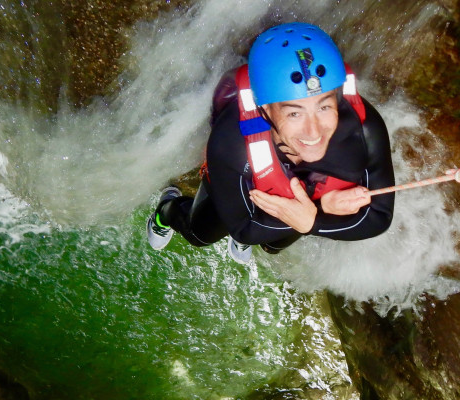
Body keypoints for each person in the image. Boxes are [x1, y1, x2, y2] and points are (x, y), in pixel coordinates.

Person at [146, 22, 395, 263]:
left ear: (338, 96)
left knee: (272, 245)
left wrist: (312, 221)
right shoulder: (231, 142)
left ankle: (273, 226)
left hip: (306, 199)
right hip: (252, 179)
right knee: (200, 235)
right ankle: (166, 210)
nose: (314, 131)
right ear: (264, 108)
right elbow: (243, 229)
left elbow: (380, 216)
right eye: (294, 113)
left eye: (324, 106)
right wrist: (317, 213)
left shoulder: (364, 129)